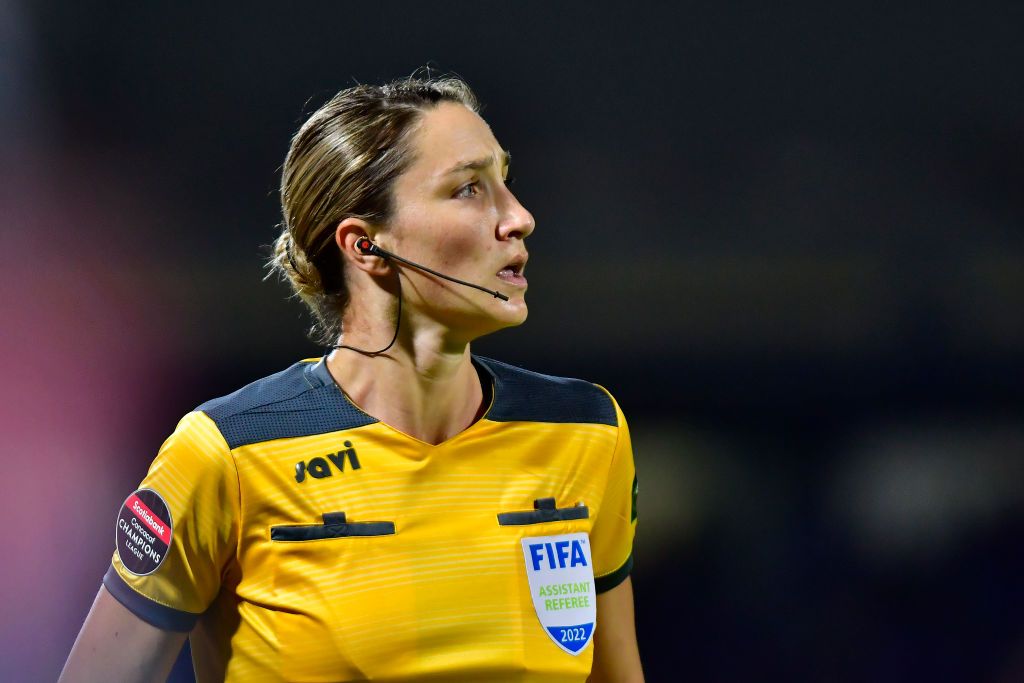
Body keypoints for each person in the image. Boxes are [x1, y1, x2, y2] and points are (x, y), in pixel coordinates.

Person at [60, 76, 643, 683]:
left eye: (506, 182)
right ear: (366, 246)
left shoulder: (586, 433)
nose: (519, 217)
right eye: (469, 189)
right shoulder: (226, 455)